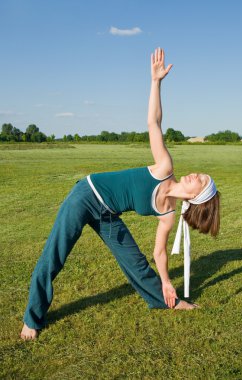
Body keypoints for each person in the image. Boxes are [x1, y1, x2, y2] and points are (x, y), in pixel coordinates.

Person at [20, 47, 220, 340]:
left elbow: (159, 252)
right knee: (55, 255)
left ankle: (167, 301)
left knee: (136, 262)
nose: (195, 175)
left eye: (199, 182)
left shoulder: (168, 214)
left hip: (108, 214)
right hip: (86, 195)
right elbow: (154, 123)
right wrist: (156, 82)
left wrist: (167, 282)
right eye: (201, 175)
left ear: (194, 199)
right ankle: (32, 319)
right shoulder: (164, 167)